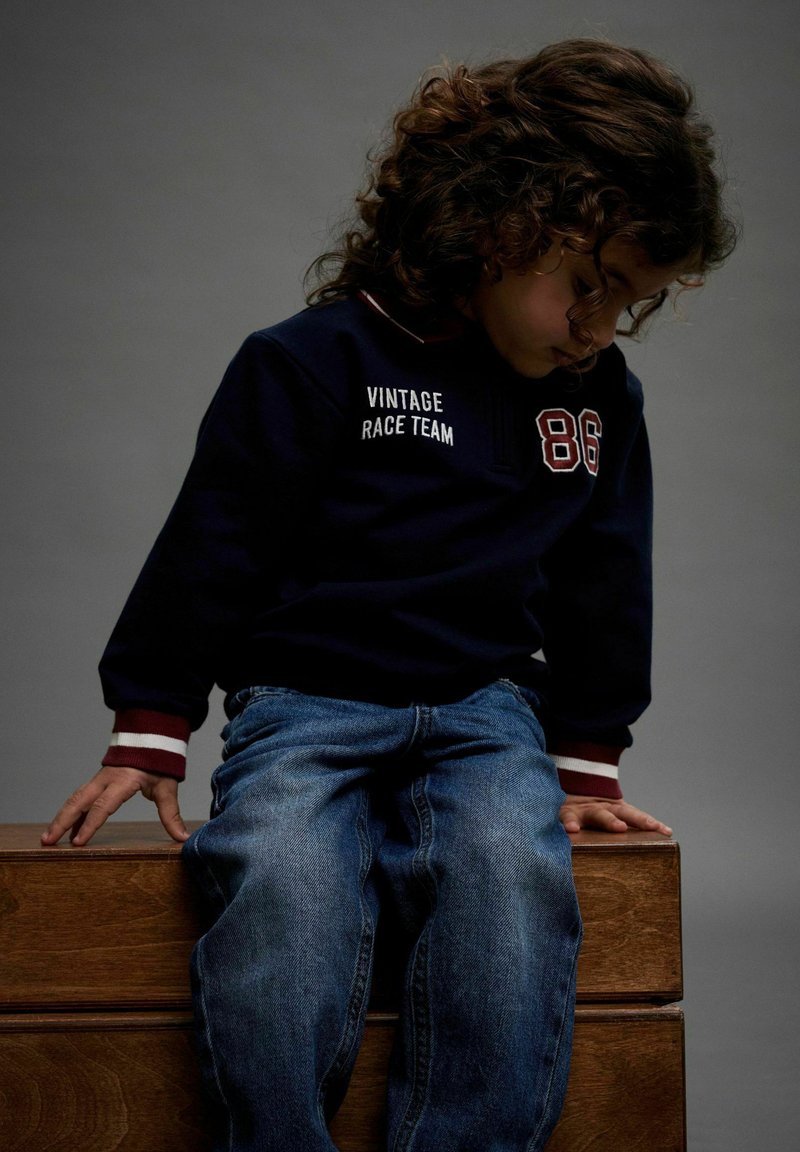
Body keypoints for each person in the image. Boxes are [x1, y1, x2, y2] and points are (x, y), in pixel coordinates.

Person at [43, 39, 735, 1151]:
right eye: (588, 285)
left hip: (486, 713)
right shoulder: (318, 360)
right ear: (494, 226)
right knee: (282, 882)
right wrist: (151, 725)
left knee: (512, 879)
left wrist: (587, 757)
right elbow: (213, 544)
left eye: (630, 304)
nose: (601, 326)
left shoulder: (597, 398)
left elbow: (607, 578)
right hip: (304, 705)